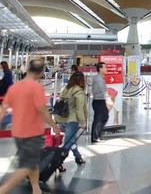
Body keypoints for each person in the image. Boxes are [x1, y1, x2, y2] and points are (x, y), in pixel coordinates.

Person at [0, 59, 61, 194]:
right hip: (32, 133)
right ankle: (3, 190)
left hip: (18, 132)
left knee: (32, 162)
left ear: (27, 69)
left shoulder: (14, 87)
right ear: (40, 73)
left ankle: (36, 190)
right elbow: (43, 111)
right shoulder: (36, 87)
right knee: (27, 166)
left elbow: (3, 109)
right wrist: (54, 126)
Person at [54, 72, 88, 170]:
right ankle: (58, 162)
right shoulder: (79, 92)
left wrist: (56, 119)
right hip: (71, 120)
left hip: (61, 119)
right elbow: (79, 108)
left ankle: (78, 158)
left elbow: (59, 104)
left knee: (71, 139)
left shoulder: (64, 90)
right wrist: (83, 121)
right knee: (68, 142)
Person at [91, 62, 110, 144]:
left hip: (100, 100)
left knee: (105, 117)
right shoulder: (99, 79)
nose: (106, 69)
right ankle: (95, 137)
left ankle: (97, 135)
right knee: (98, 120)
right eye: (105, 67)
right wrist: (108, 99)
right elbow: (103, 90)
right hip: (98, 101)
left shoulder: (100, 78)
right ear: (100, 69)